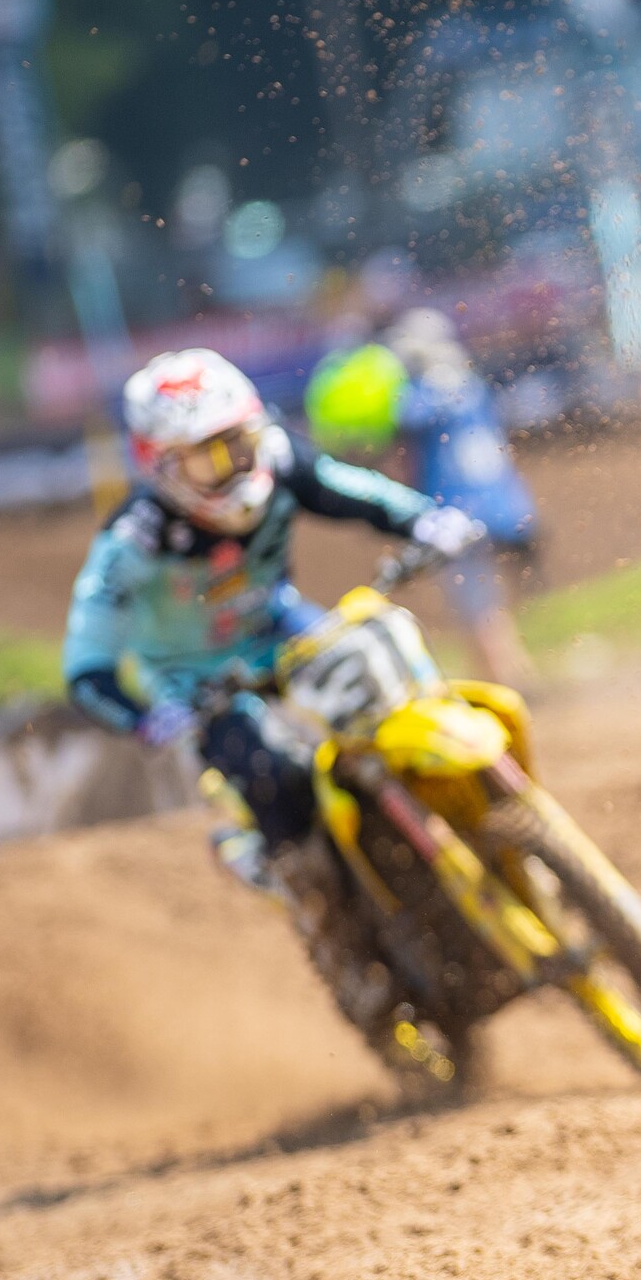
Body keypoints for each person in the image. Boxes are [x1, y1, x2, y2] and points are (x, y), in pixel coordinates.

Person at [64, 348, 483, 1028]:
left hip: (282, 628)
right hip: (200, 683)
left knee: (382, 679)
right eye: (207, 454)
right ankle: (337, 931)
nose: (233, 464)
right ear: (162, 463)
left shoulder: (281, 459)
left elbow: (354, 492)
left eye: (239, 440)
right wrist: (149, 718)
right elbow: (87, 667)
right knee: (277, 776)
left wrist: (422, 520)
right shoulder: (130, 544)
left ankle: (457, 822)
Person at [306, 309, 540, 687]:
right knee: (486, 601)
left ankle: (504, 680)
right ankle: (512, 671)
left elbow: (387, 422)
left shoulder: (424, 396)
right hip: (501, 506)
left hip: (457, 513)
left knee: (475, 604)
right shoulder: (468, 384)